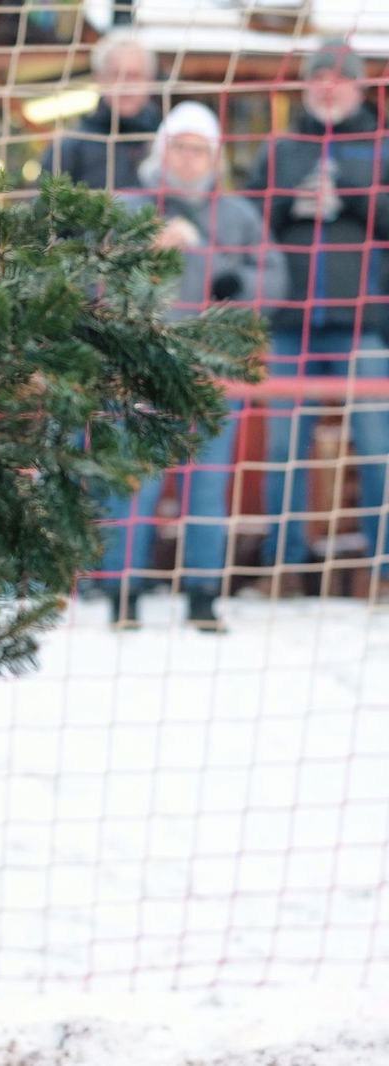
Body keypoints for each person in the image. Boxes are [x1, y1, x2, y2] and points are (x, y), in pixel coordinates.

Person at [102, 102, 288, 630]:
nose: (188, 158)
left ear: (215, 156)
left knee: (208, 485)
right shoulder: (128, 207)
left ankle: (204, 594)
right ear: (162, 150)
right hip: (140, 370)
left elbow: (272, 280)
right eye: (179, 146)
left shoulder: (239, 214)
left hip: (211, 373)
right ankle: (122, 592)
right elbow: (96, 277)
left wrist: (229, 279)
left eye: (198, 148)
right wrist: (143, 252)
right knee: (132, 483)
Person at [244, 38, 389, 584]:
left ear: (358, 85)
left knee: (378, 447)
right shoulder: (282, 148)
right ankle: (283, 566)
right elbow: (247, 217)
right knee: (283, 450)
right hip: (290, 324)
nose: (329, 86)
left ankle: (382, 568)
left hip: (363, 324)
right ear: (306, 86)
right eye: (319, 77)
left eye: (340, 77)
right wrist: (291, 204)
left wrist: (349, 196)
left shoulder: (382, 146)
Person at [40, 30, 162, 192]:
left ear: (150, 80)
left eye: (135, 75)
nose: (126, 85)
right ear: (100, 79)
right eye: (116, 75)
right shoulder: (70, 146)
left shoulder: (167, 140)